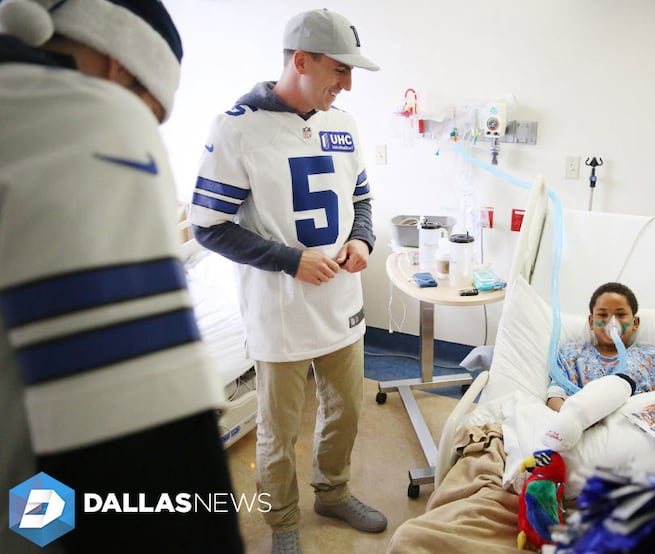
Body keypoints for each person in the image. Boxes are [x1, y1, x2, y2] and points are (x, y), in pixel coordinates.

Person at [0, 1, 244, 553]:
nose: (147, 125)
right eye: (152, 111)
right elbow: (142, 453)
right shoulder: (87, 115)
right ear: (120, 69)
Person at [187, 8, 383, 554]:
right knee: (278, 430)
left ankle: (333, 492)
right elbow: (207, 227)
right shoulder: (236, 128)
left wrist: (362, 241)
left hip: (342, 302)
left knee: (345, 410)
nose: (346, 85)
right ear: (301, 60)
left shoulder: (343, 124)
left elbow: (361, 200)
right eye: (339, 71)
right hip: (280, 310)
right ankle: (282, 522)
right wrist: (288, 260)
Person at [542, 282, 655, 451]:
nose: (611, 322)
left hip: (635, 439)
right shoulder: (572, 355)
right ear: (591, 322)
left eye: (621, 315)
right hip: (584, 437)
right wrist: (574, 419)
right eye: (602, 315)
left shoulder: (653, 359)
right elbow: (555, 397)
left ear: (635, 322)